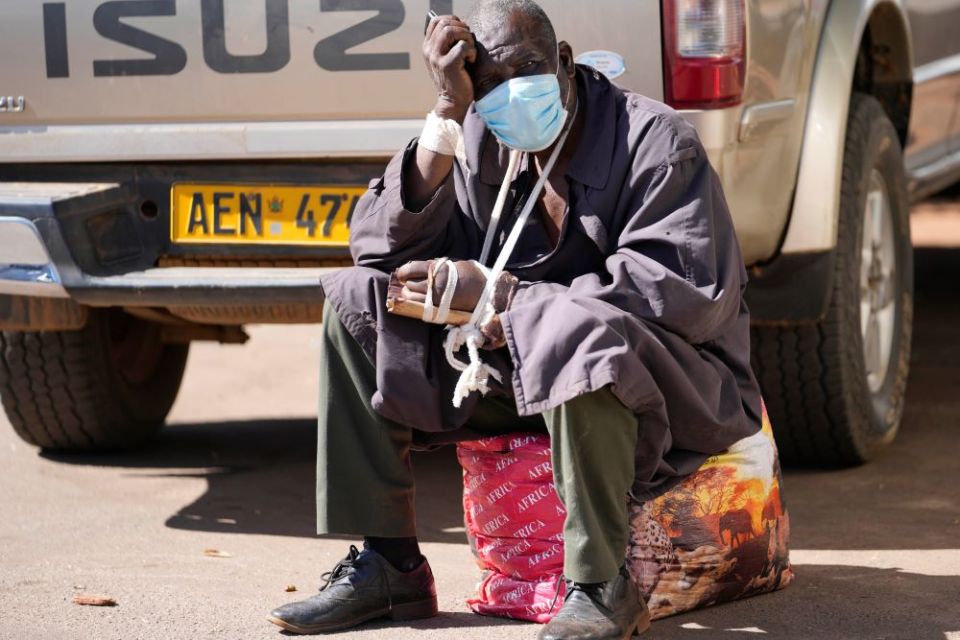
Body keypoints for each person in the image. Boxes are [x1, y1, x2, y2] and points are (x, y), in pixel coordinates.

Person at [268, 0, 763, 638]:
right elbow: (378, 248)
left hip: (671, 386)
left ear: (562, 60)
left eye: (526, 68)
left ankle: (600, 584)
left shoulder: (656, 142)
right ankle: (389, 567)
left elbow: (682, 295)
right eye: (489, 84)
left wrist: (504, 298)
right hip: (516, 373)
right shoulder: (477, 134)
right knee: (358, 301)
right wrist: (447, 115)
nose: (509, 94)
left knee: (571, 332)